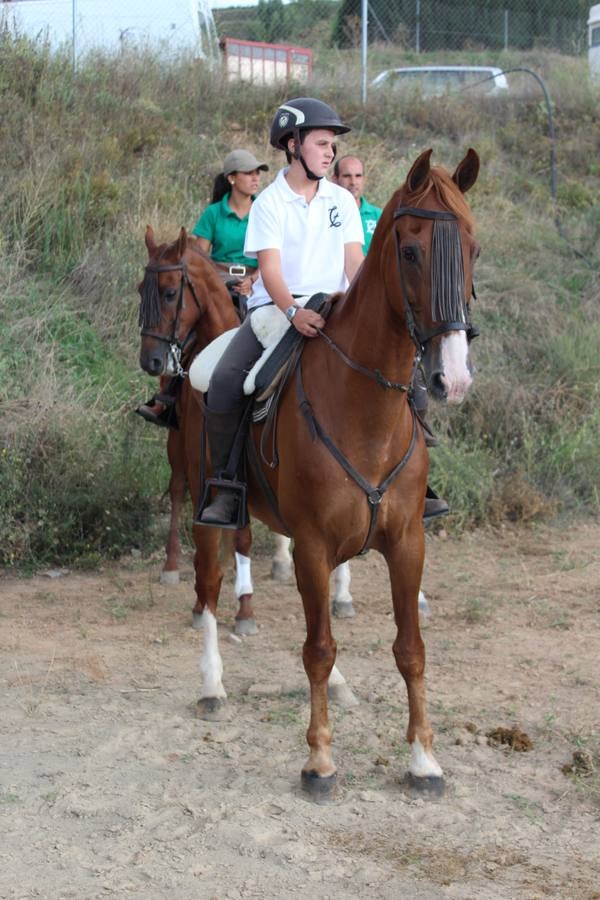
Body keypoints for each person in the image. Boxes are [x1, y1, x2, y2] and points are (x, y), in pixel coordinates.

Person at [197, 97, 364, 528]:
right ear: (293, 145)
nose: (330, 152)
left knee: (405, 364)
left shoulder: (342, 201)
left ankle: (415, 483)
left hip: (336, 308)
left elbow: (354, 264)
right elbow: (269, 268)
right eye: (322, 143)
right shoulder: (269, 203)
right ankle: (227, 487)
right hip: (276, 311)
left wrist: (364, 306)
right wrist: (292, 310)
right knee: (225, 383)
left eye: (332, 145)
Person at [136, 149, 268, 428]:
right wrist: (220, 280)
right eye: (249, 173)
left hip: (256, 283)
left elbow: (273, 254)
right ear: (232, 178)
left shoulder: (265, 209)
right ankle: (166, 399)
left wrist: (254, 279)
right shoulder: (213, 214)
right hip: (218, 282)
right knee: (186, 335)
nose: (256, 178)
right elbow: (199, 255)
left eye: (258, 173)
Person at [332, 155, 382, 254]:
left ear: (364, 179)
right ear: (335, 179)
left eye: (358, 176)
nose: (353, 182)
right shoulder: (327, 214)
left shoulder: (379, 216)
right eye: (347, 176)